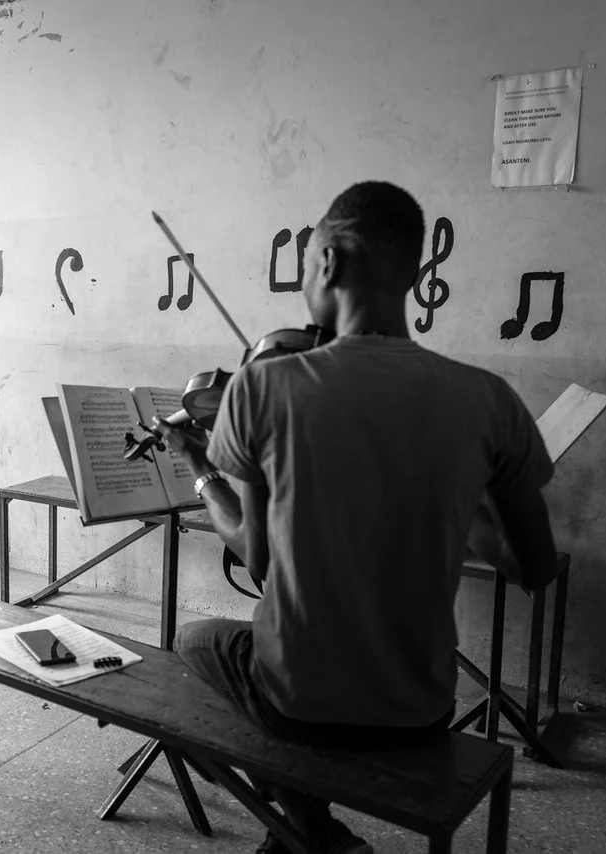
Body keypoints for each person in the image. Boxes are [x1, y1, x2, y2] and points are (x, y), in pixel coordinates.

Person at [152, 181, 559, 854]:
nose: (306, 279)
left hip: (296, 706)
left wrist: (201, 472)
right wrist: (458, 491)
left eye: (308, 261)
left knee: (194, 643)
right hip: (423, 711)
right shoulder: (488, 399)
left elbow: (255, 556)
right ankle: (305, 830)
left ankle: (304, 828)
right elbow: (534, 569)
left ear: (331, 260)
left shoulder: (263, 387)